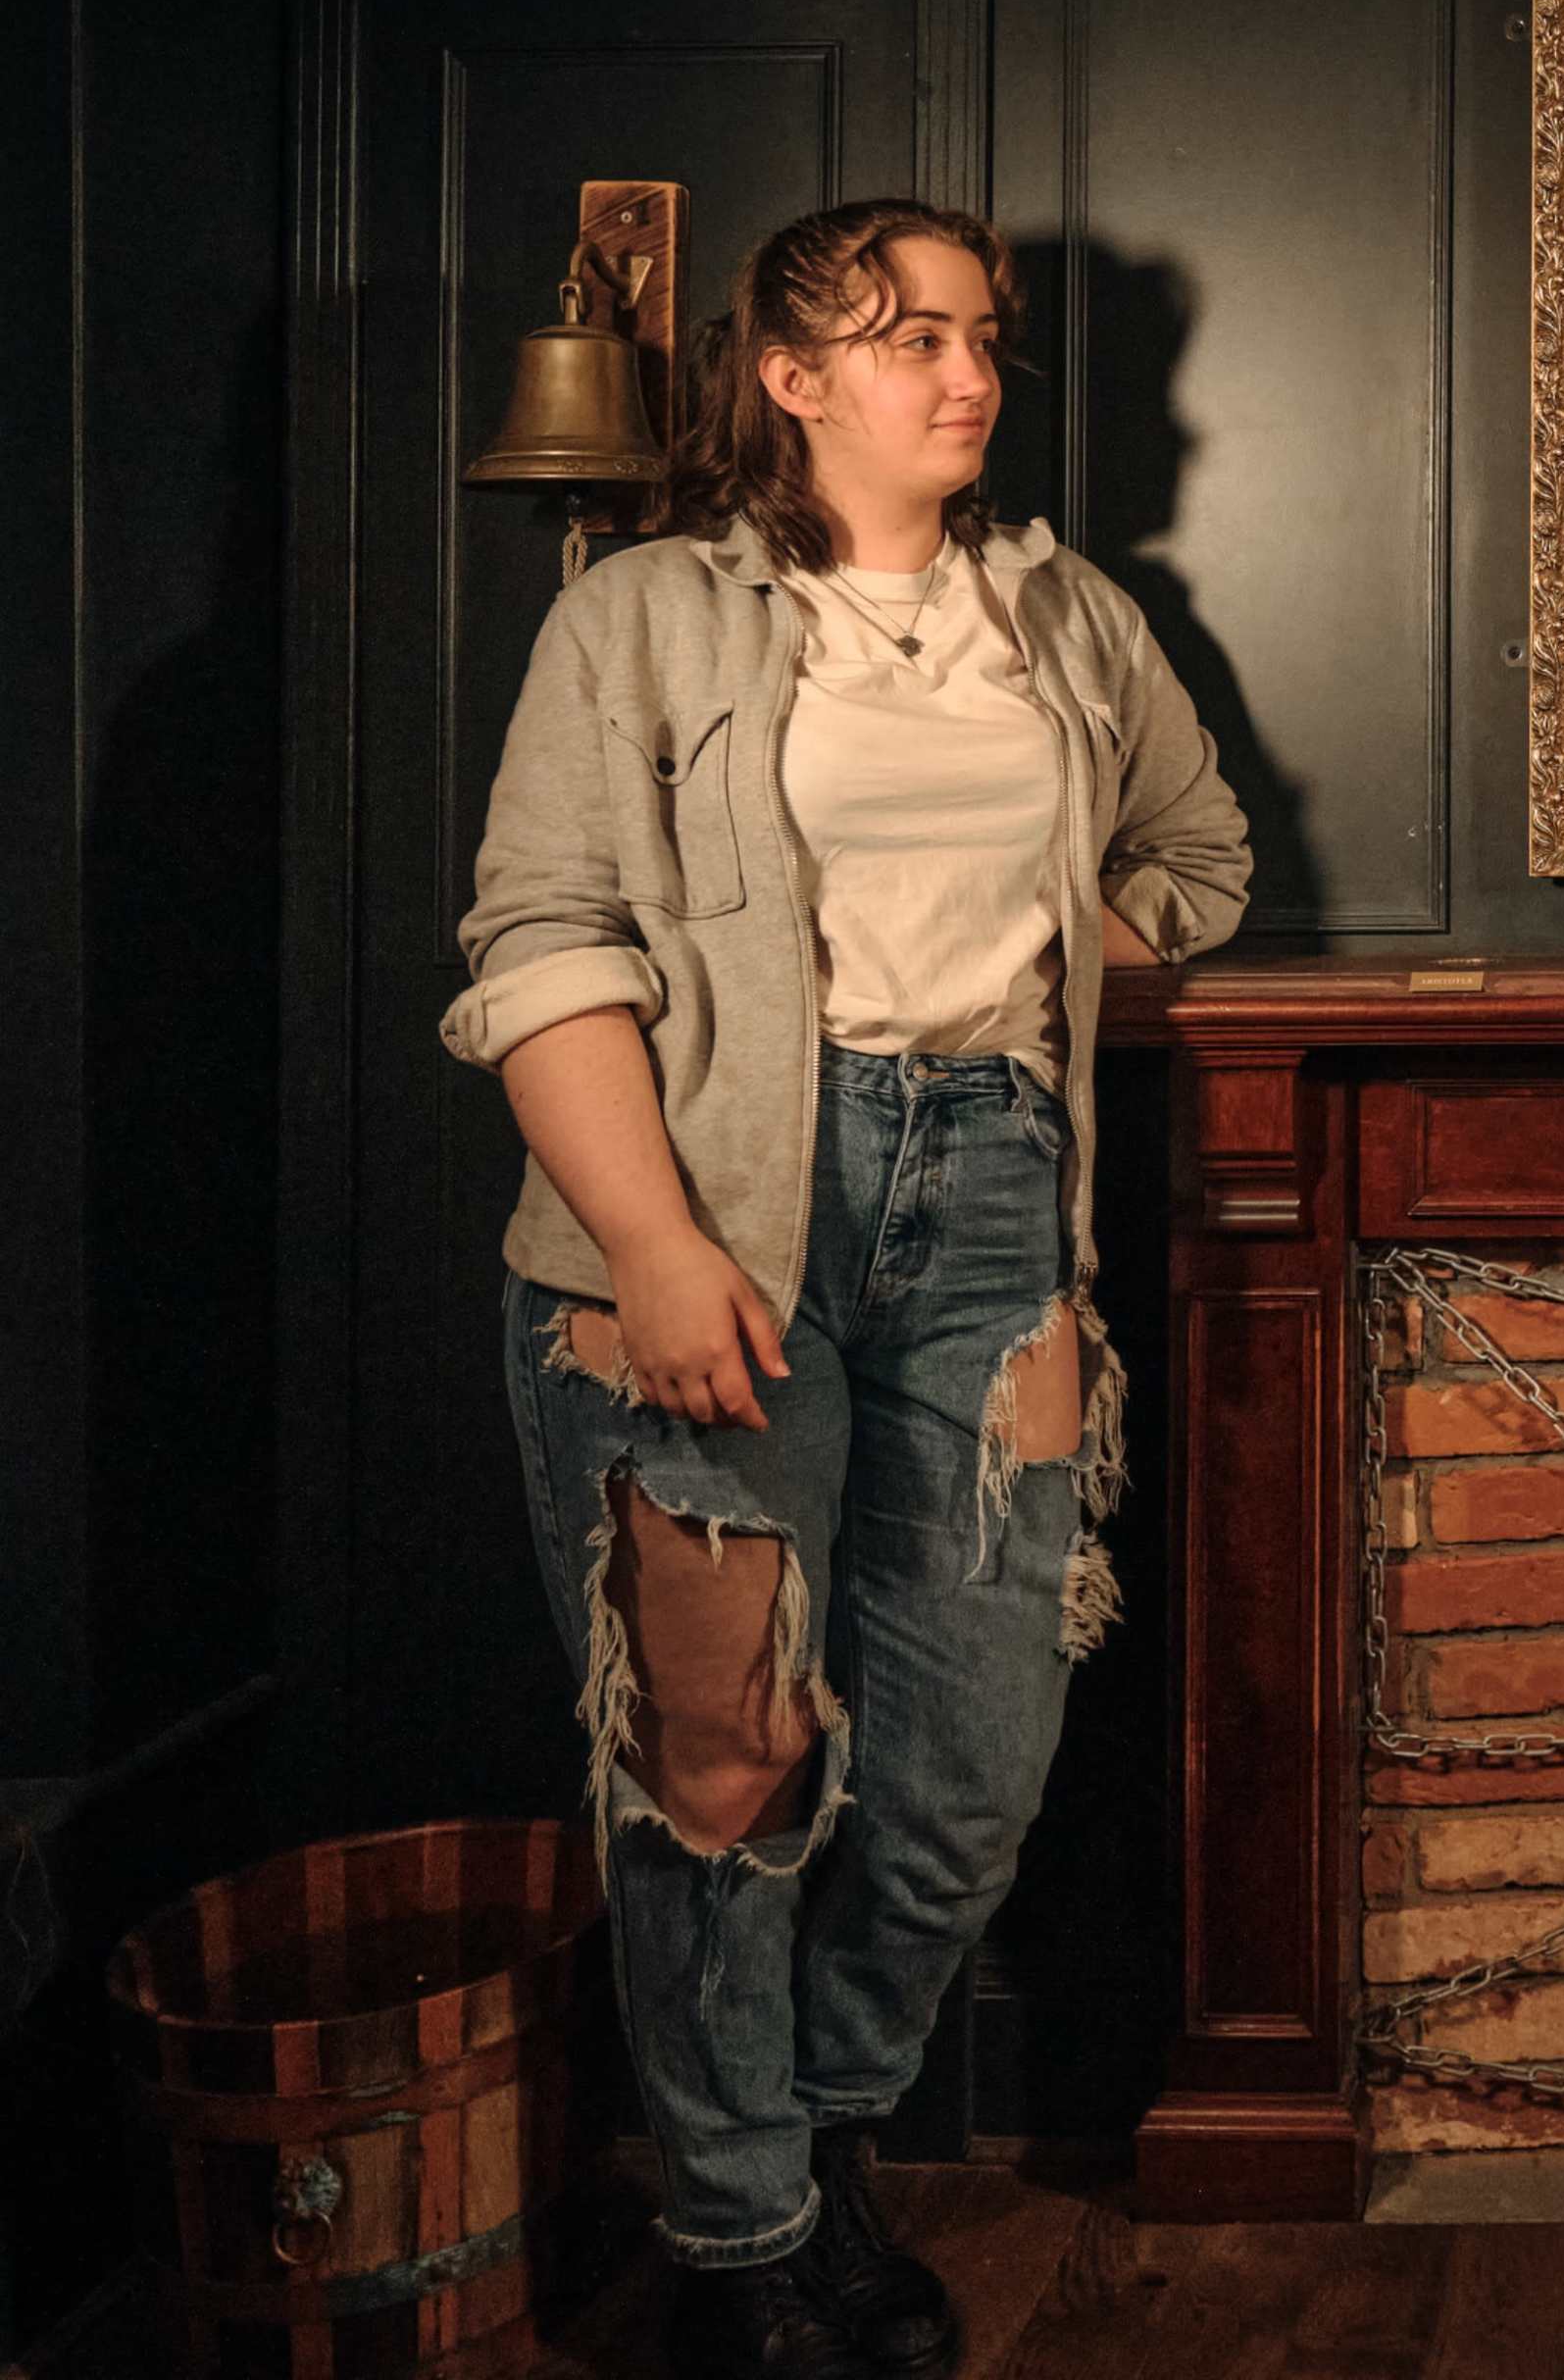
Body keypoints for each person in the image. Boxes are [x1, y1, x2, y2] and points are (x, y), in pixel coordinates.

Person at [442, 199, 1250, 2379]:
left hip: (998, 1200)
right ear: (792, 376)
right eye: (910, 340)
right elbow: (540, 946)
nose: (967, 376)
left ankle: (807, 2141)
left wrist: (1045, 951)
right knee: (725, 1753)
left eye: (980, 338)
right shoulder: (643, 619)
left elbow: (1199, 855)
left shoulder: (1066, 618)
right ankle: (736, 2237)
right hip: (706, 1214)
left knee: (979, 1748)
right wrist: (653, 1242)